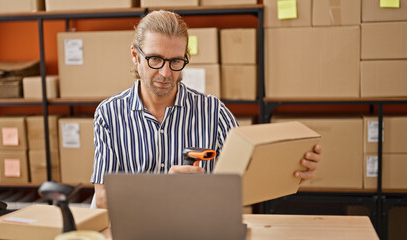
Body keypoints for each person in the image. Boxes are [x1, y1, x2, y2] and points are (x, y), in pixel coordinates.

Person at [90, 10, 322, 209]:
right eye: (155, 59)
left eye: (175, 62)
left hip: (201, 227)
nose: (165, 73)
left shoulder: (213, 112)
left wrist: (291, 173)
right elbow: (101, 198)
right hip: (137, 228)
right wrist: (161, 188)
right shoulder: (109, 114)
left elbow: (246, 180)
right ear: (135, 56)